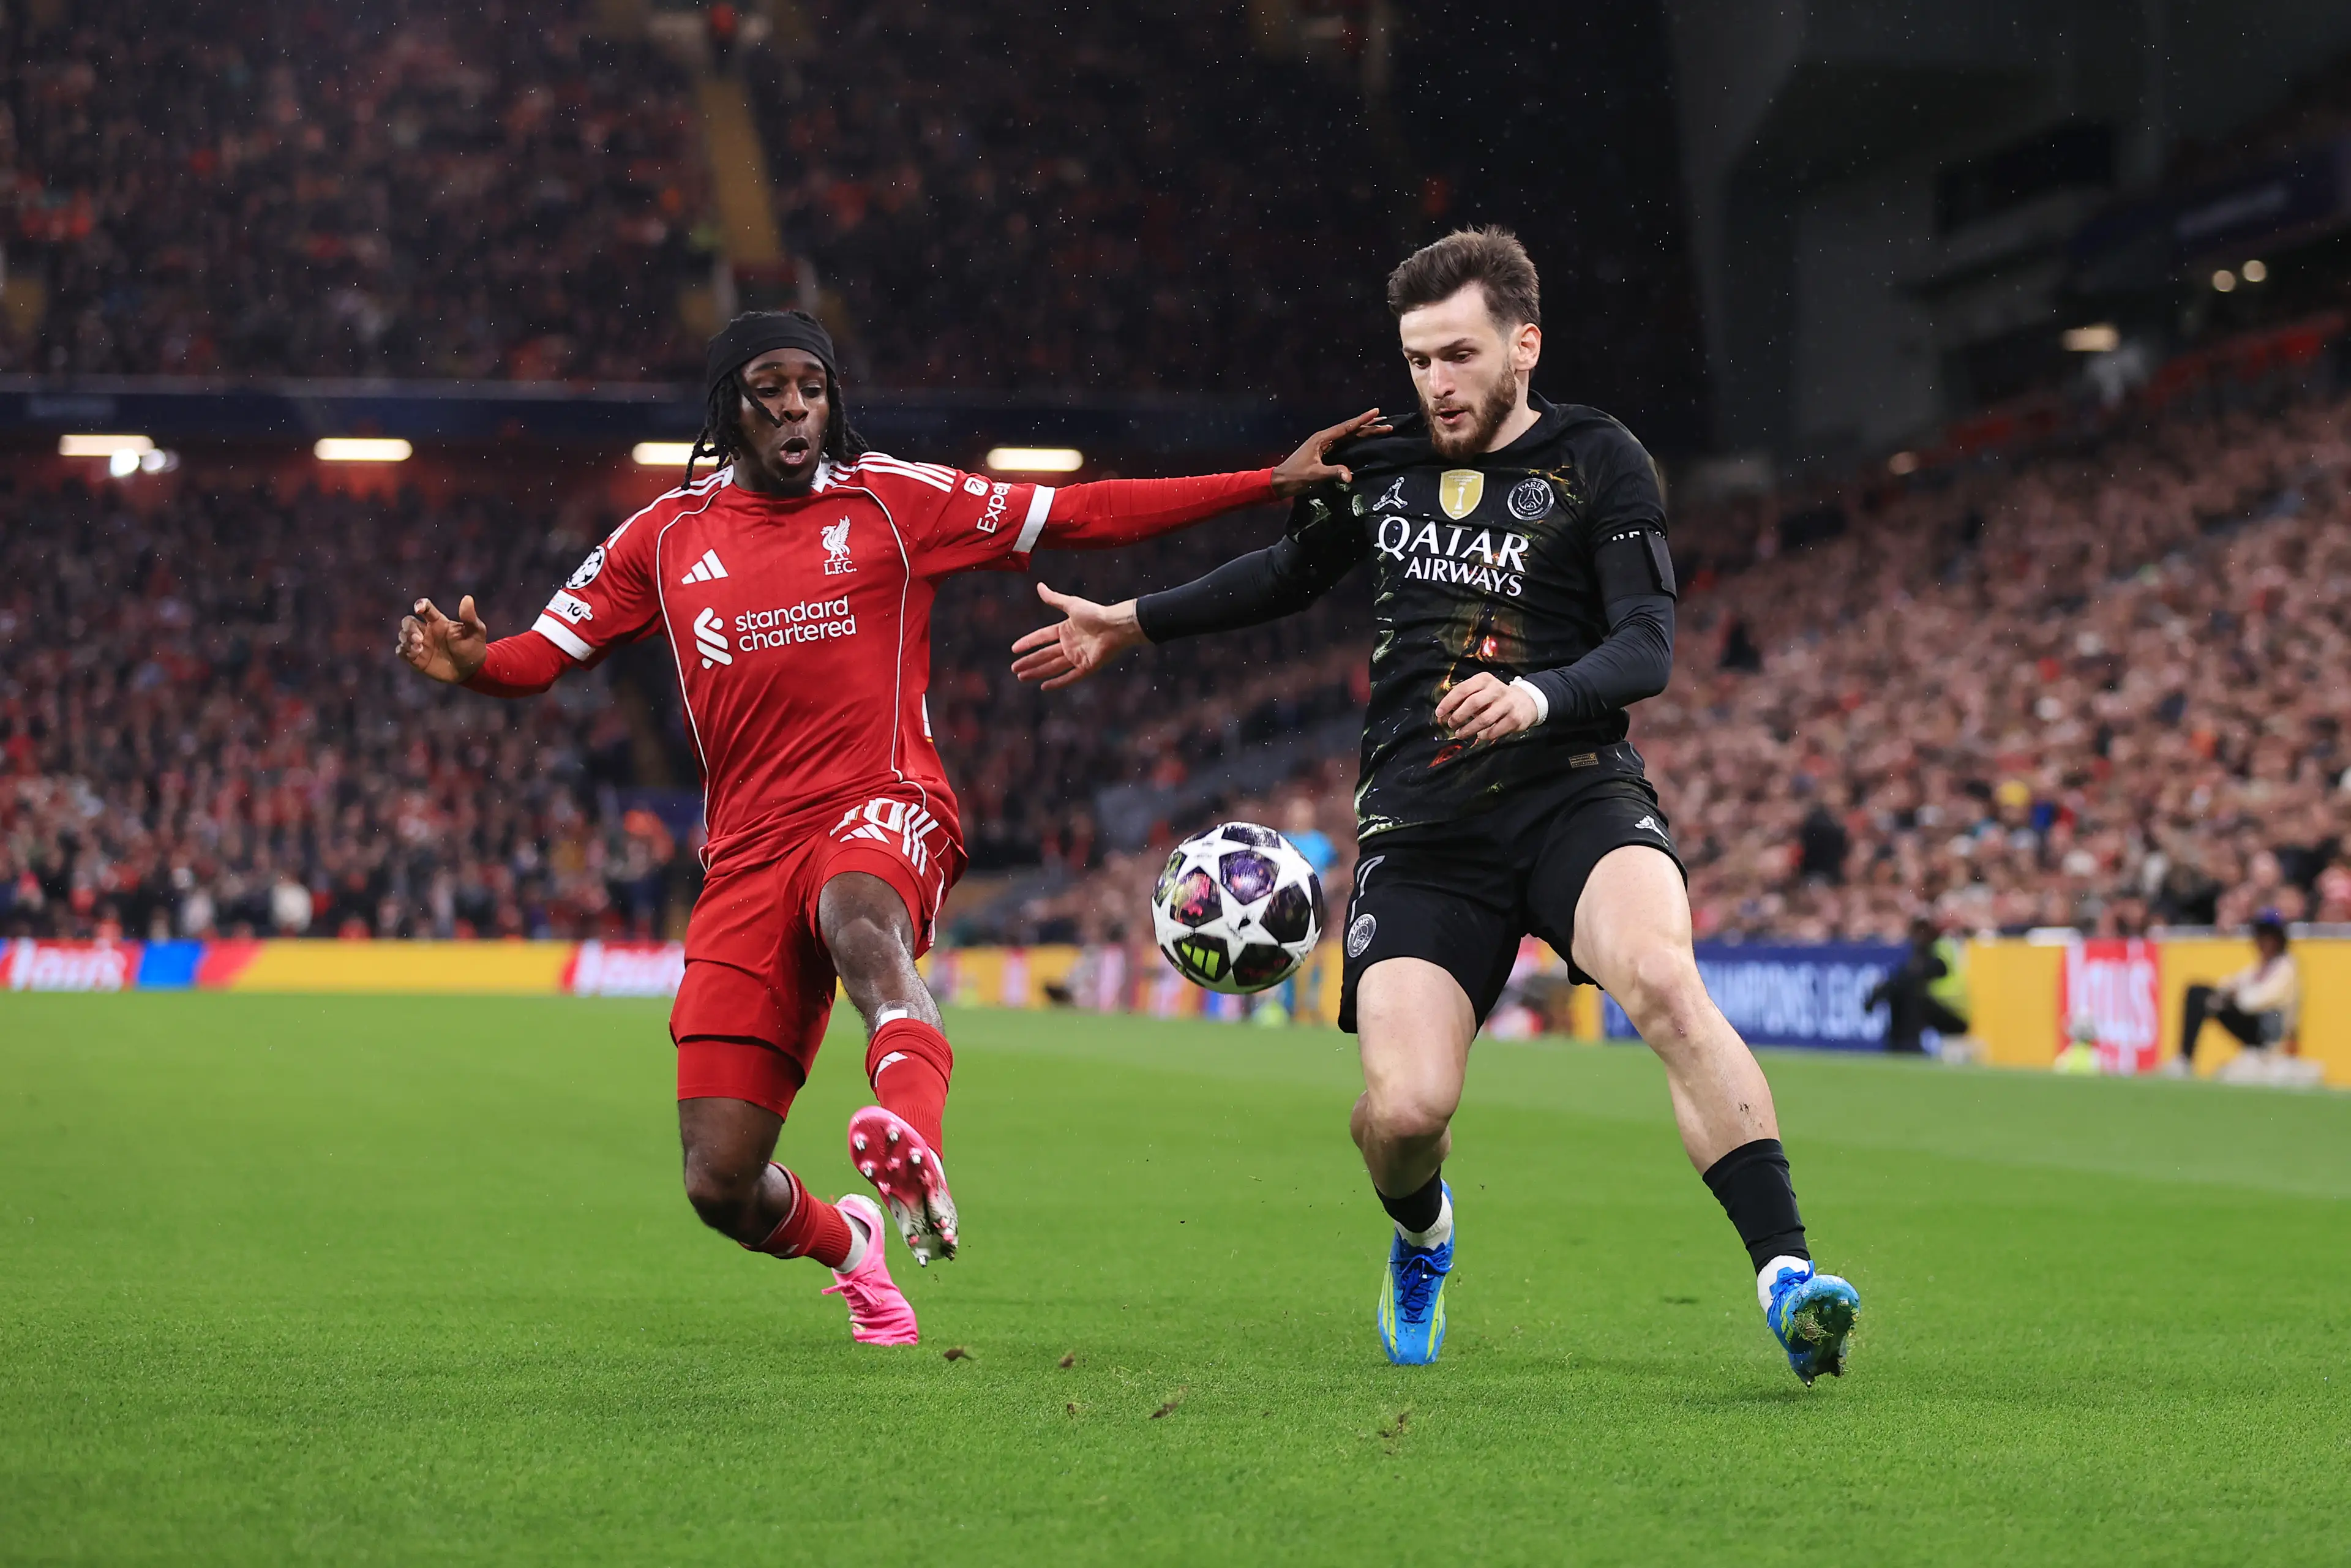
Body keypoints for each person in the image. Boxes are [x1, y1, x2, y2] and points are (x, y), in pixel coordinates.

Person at [398, 309, 1376, 1344]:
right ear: (728, 407)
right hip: (744, 856)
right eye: (769, 388)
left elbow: (1080, 513)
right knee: (719, 1182)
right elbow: (541, 654)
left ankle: (912, 1146)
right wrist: (475, 664)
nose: (793, 407)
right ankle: (851, 1246)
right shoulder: (662, 535)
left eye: (810, 388)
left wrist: (1267, 482)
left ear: (832, 401)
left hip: (882, 800)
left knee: (859, 919)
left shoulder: (893, 499)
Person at [1011, 230, 1859, 1380]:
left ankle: (1788, 1280)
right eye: (1417, 359)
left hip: (1576, 797)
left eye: (1458, 355)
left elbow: (1649, 647)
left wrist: (1538, 695)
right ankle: (1423, 1236)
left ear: (1525, 343)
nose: (1435, 382)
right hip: (1424, 830)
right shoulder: (1381, 463)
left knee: (1662, 978)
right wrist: (1132, 619)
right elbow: (1284, 576)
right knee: (1405, 1115)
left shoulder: (1598, 458)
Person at [2170, 913, 2299, 1076]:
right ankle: (2184, 1058)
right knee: (2198, 992)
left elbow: (2260, 1001)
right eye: (2259, 936)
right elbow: (2229, 983)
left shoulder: (2286, 967)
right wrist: (2222, 996)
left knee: (2213, 999)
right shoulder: (2260, 968)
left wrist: (2231, 997)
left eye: (2267, 937)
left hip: (2270, 1037)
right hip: (2252, 1025)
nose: (2261, 942)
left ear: (2278, 939)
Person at [1865, 916, 1971, 1054]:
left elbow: (1937, 970)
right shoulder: (1912, 963)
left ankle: (1906, 1044)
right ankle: (1906, 1044)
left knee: (1911, 994)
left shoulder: (1934, 957)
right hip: (1934, 1010)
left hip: (1944, 1008)